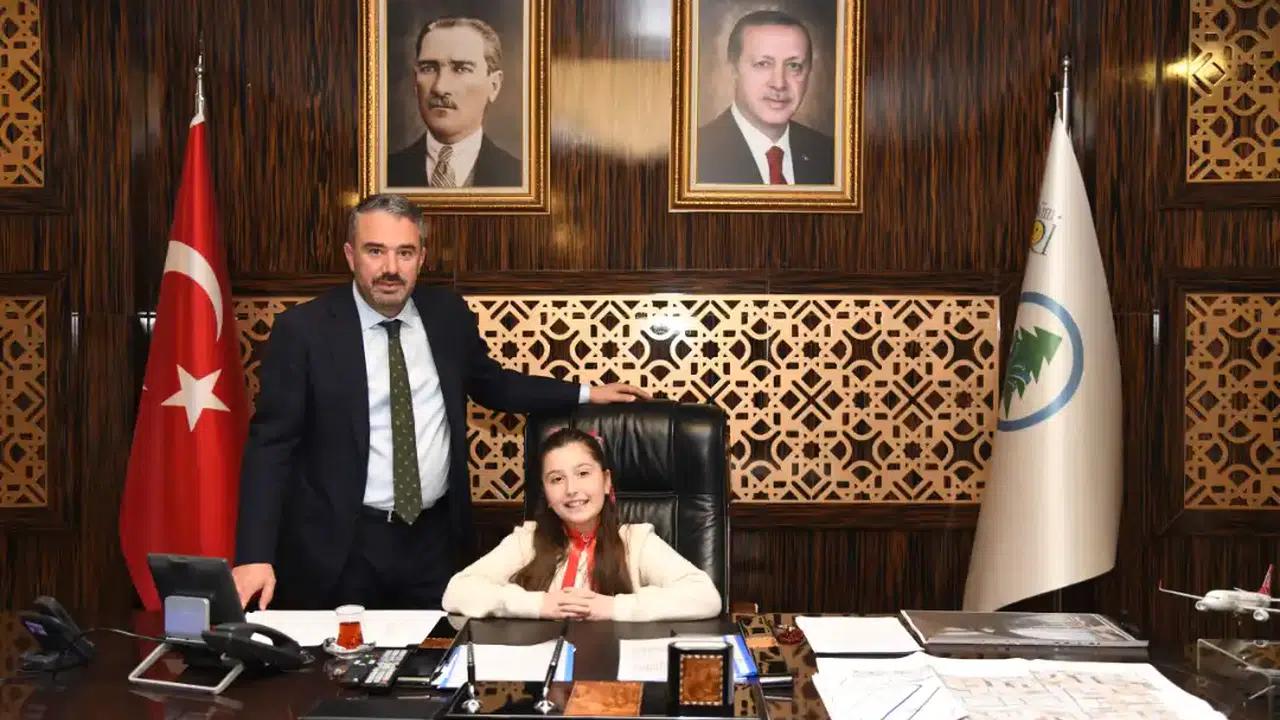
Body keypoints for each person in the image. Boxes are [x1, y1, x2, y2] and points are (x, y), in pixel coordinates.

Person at [232, 193, 648, 611]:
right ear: (349, 255)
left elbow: (494, 385)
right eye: (375, 251)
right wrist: (253, 555)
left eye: (404, 252)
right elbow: (271, 448)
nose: (391, 268)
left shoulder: (446, 315)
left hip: (434, 543)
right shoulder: (303, 330)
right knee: (343, 653)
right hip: (340, 546)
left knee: (440, 651)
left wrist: (586, 392)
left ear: (422, 257)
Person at [441, 427, 722, 621]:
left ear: (606, 481)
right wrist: (538, 604)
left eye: (583, 473)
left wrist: (614, 608)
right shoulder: (525, 540)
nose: (571, 489)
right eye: (556, 479)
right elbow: (457, 591)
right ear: (546, 493)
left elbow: (705, 597)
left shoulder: (637, 541)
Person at [695, 10, 835, 185]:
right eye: (763, 64)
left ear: (808, 73)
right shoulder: (693, 154)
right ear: (733, 69)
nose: (779, 83)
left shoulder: (832, 156)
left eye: (794, 65)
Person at [387, 17, 521, 188]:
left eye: (461, 69)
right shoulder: (380, 176)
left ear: (494, 85)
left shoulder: (521, 179)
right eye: (429, 68)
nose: (440, 87)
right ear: (415, 82)